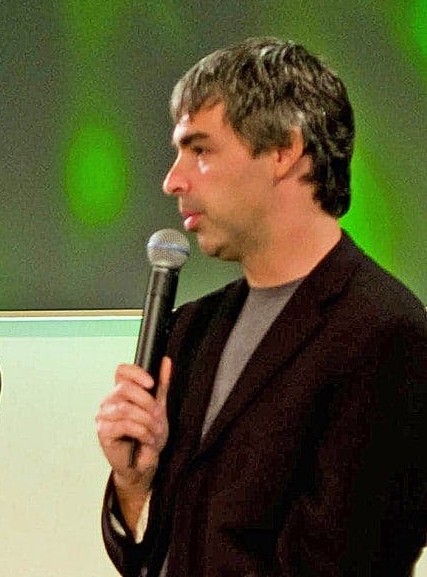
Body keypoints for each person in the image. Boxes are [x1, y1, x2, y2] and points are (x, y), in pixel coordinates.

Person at [96, 37, 427, 576]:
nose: (172, 179)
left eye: (200, 150)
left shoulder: (386, 334)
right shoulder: (192, 330)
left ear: (283, 152)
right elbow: (154, 556)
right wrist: (135, 483)